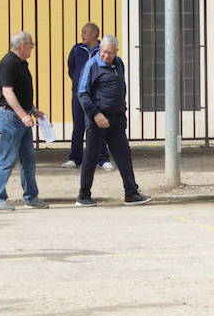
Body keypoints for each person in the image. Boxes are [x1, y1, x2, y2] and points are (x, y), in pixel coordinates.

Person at [76, 35, 152, 206]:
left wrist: (122, 111)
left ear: (116, 52)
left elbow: (120, 88)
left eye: (110, 53)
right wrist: (96, 114)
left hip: (116, 120)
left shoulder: (118, 63)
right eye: (103, 52)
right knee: (91, 157)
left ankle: (131, 193)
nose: (106, 56)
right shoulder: (92, 65)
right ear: (99, 49)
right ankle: (83, 196)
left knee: (124, 155)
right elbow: (82, 94)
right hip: (97, 119)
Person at [0, 31, 49, 211]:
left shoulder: (21, 63)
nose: (32, 48)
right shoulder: (9, 63)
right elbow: (8, 92)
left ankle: (31, 196)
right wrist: (23, 115)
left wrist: (32, 110)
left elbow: (21, 91)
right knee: (6, 159)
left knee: (29, 159)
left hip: (21, 117)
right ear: (22, 45)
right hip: (11, 117)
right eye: (31, 45)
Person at [62, 23, 114, 171]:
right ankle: (74, 158)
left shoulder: (102, 51)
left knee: (99, 125)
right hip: (79, 94)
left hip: (97, 96)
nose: (82, 35)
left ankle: (103, 159)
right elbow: (71, 68)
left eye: (85, 32)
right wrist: (79, 84)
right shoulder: (77, 49)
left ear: (94, 34)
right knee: (78, 126)